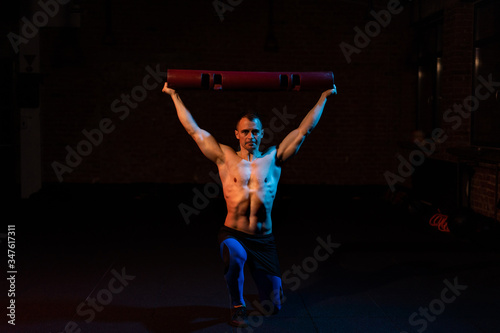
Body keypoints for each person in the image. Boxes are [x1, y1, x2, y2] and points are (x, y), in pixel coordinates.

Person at [162, 82, 337, 327]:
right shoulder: (225, 157)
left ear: (262, 134)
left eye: (255, 131)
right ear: (237, 134)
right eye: (245, 131)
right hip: (233, 232)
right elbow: (194, 130)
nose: (250, 136)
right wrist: (174, 95)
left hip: (264, 241)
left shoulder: (274, 158)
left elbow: (303, 130)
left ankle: (271, 291)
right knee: (234, 255)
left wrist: (323, 98)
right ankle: (237, 305)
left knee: (274, 307)